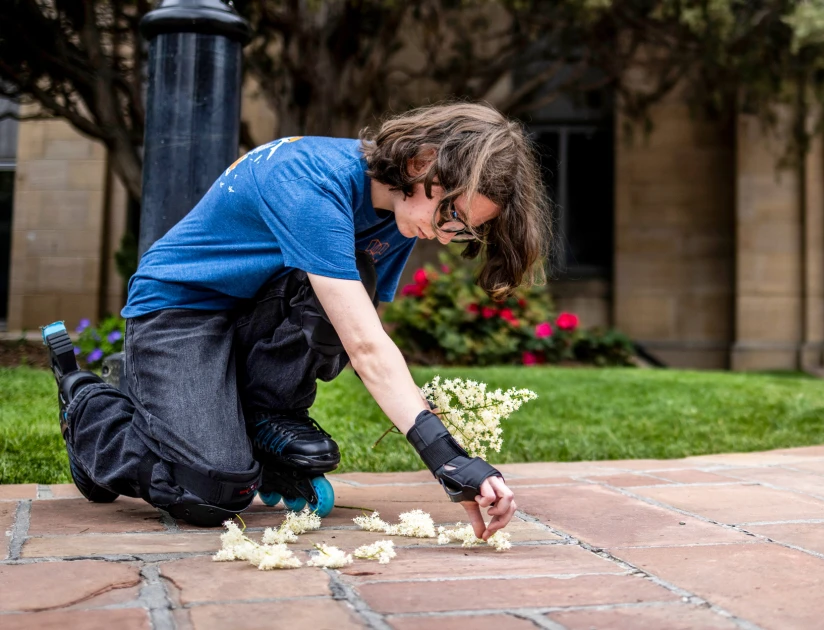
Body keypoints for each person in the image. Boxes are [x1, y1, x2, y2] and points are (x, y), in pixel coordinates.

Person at [41, 102, 551, 538]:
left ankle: (261, 414)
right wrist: (447, 459)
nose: (446, 236)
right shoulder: (311, 180)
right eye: (453, 217)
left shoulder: (402, 218)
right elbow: (367, 348)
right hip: (180, 311)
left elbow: (360, 332)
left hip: (251, 313)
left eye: (465, 231)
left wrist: (444, 447)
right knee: (212, 492)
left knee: (356, 280)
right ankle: (94, 410)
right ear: (422, 163)